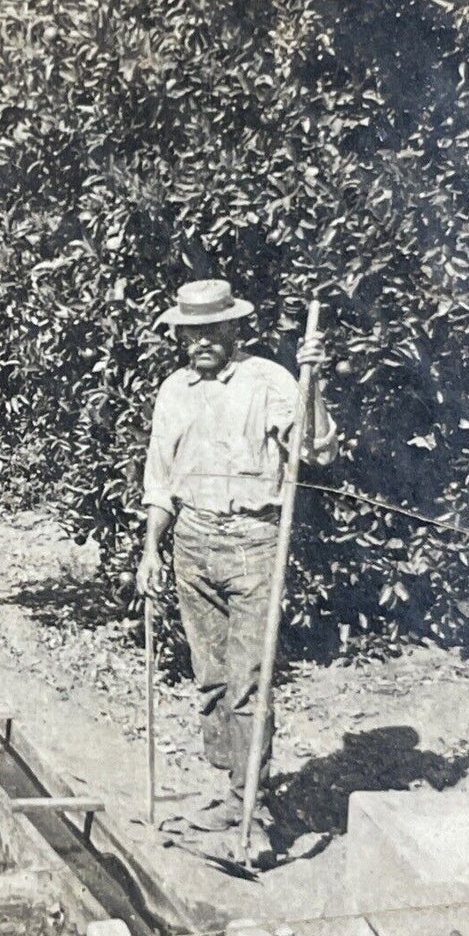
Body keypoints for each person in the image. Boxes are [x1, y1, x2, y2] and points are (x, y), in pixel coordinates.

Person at [135, 278, 336, 866]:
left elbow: (316, 450)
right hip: (192, 542)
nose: (201, 341)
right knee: (212, 680)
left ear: (233, 329)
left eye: (212, 331)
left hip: (253, 542)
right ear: (180, 336)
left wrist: (313, 385)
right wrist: (152, 551)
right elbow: (159, 480)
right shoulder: (174, 390)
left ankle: (256, 809)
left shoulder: (272, 381)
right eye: (190, 332)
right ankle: (231, 793)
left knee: (249, 682)